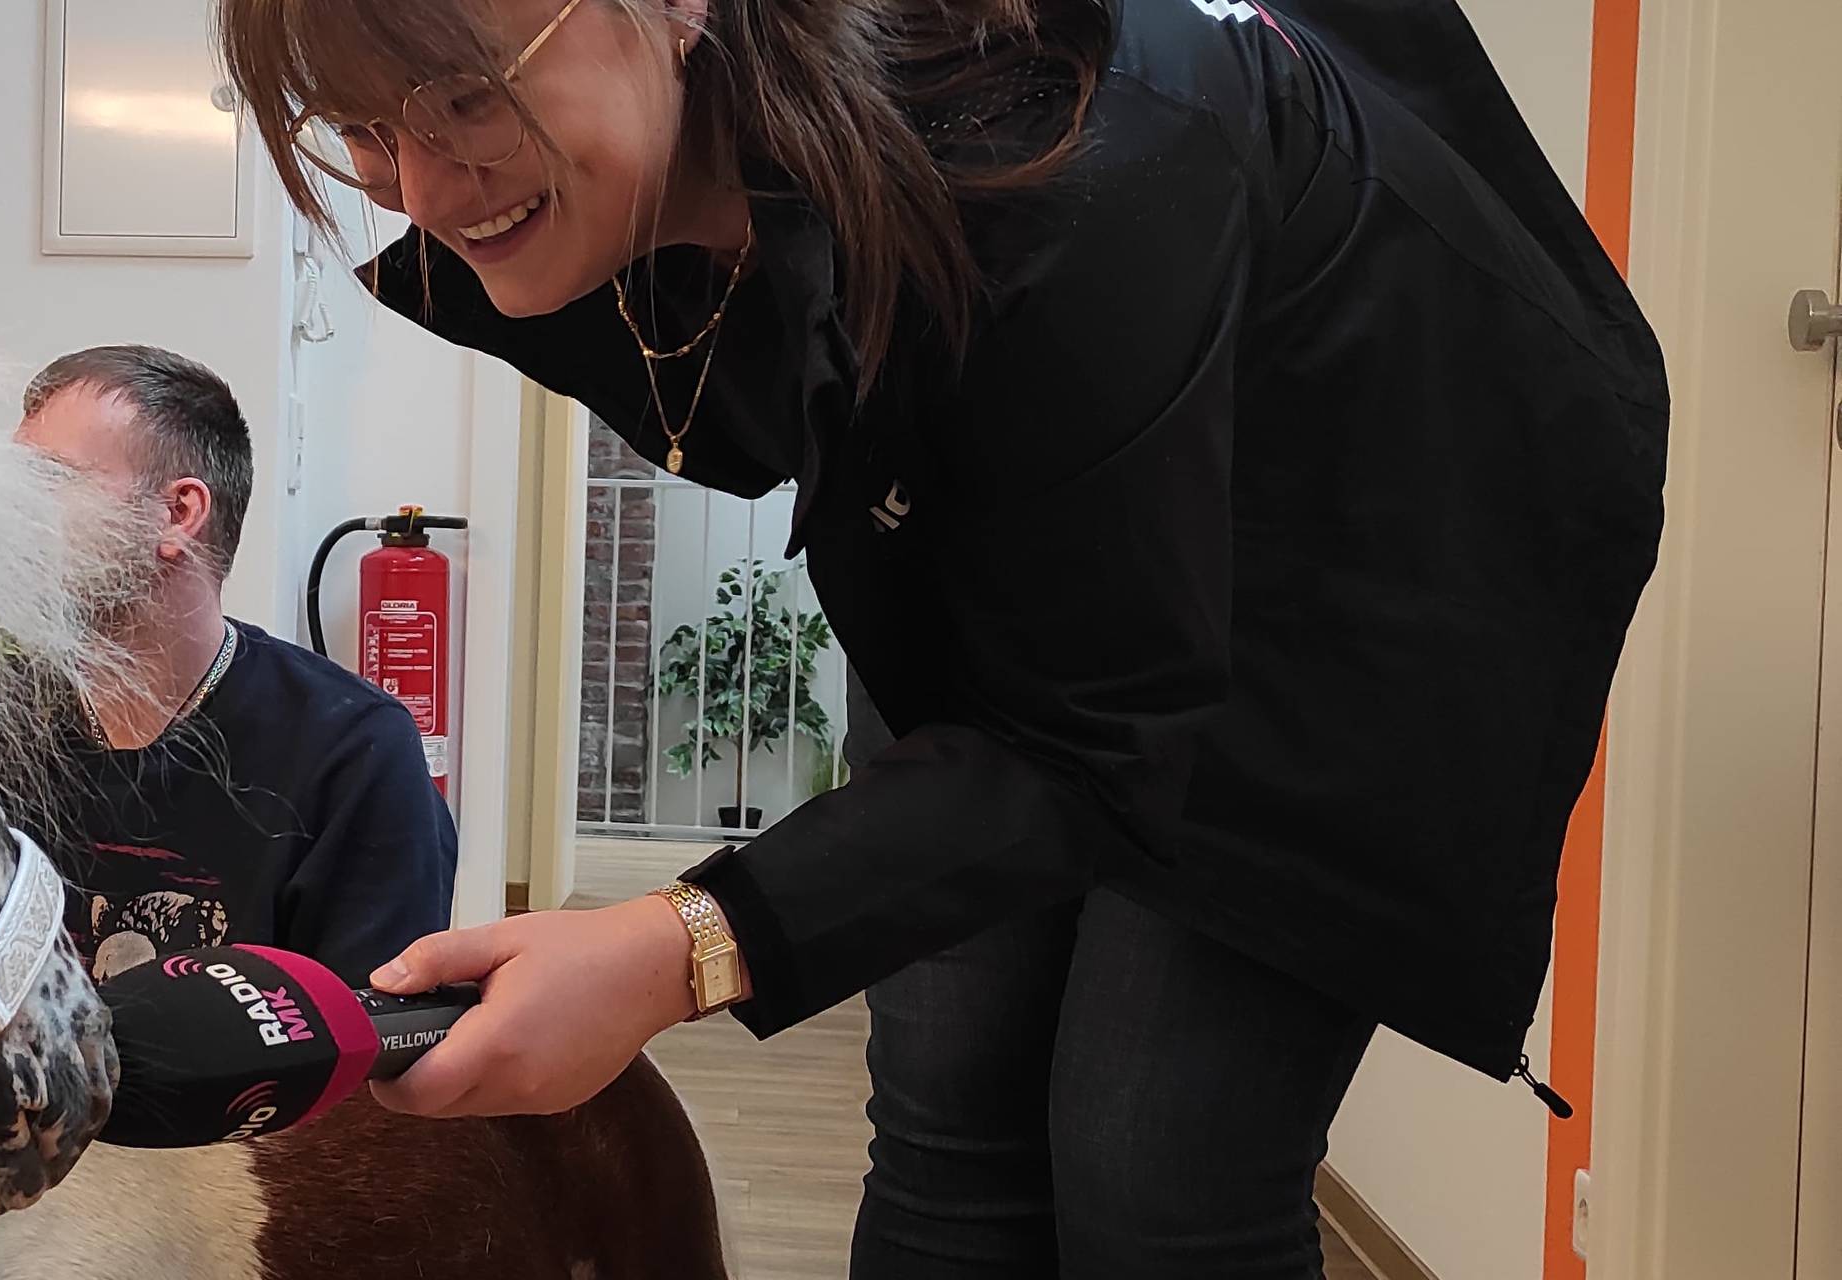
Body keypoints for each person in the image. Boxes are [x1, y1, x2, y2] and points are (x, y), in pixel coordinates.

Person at [216, 0, 1667, 1275]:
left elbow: (1082, 744)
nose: (416, 181)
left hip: (1371, 531)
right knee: (946, 1098)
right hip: (1041, 476)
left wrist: (682, 948)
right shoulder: (706, 137)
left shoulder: (1066, 145)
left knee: (1155, 1166)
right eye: (355, 125)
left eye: (464, 92)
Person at [15, 344, 458, 988]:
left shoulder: (353, 753)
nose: (6, 516)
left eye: (47, 483)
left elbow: (371, 1049)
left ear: (177, 514)